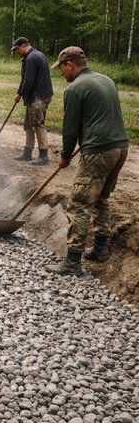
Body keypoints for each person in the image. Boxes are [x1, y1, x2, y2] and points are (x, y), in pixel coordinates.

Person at [45, 46, 128, 276]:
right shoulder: (106, 80)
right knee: (101, 197)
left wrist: (64, 156)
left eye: (61, 68)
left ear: (70, 65)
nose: (61, 73)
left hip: (98, 152)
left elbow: (70, 129)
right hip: (120, 148)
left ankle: (72, 261)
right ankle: (101, 248)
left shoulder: (74, 89)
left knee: (79, 203)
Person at [10, 37, 54, 165]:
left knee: (37, 125)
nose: (16, 52)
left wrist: (20, 94)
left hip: (38, 97)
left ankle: (43, 156)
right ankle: (27, 153)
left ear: (23, 46)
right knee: (29, 125)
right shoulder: (36, 55)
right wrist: (19, 93)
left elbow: (28, 81)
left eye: (17, 49)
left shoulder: (31, 58)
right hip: (35, 96)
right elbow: (25, 79)